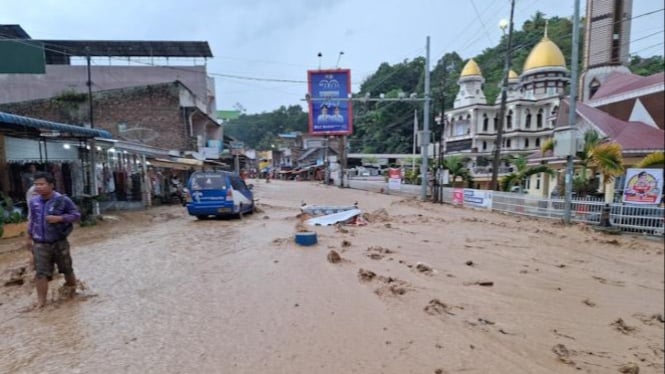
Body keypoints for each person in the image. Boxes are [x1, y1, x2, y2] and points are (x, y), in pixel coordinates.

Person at [26, 171, 81, 308]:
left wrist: (60, 218)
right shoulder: (34, 202)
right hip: (40, 243)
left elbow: (76, 215)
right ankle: (41, 302)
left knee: (67, 269)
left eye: (42, 184)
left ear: (51, 185)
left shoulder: (62, 200)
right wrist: (28, 238)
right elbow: (32, 220)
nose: (38, 187)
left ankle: (72, 292)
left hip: (59, 241)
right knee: (41, 273)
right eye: (36, 184)